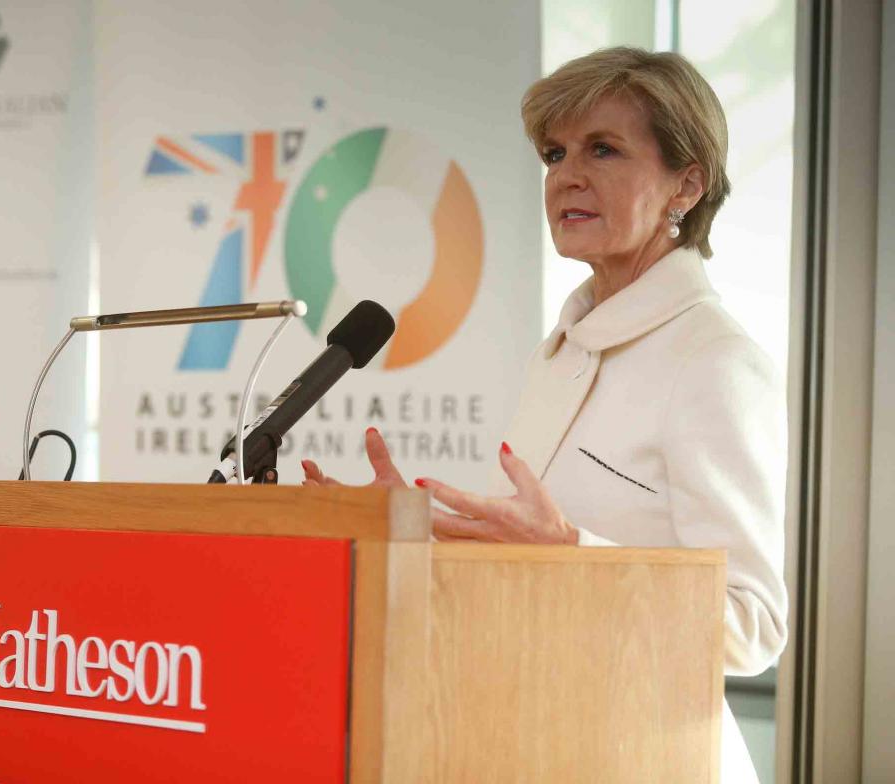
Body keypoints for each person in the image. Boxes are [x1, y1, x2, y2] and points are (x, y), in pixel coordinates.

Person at [303, 47, 786, 783]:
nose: (567, 175)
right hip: (534, 733)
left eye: (604, 149)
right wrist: (411, 527)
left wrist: (571, 552)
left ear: (686, 183)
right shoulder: (562, 350)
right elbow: (525, 558)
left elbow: (754, 628)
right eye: (555, 153)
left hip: (649, 755)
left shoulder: (713, 358)